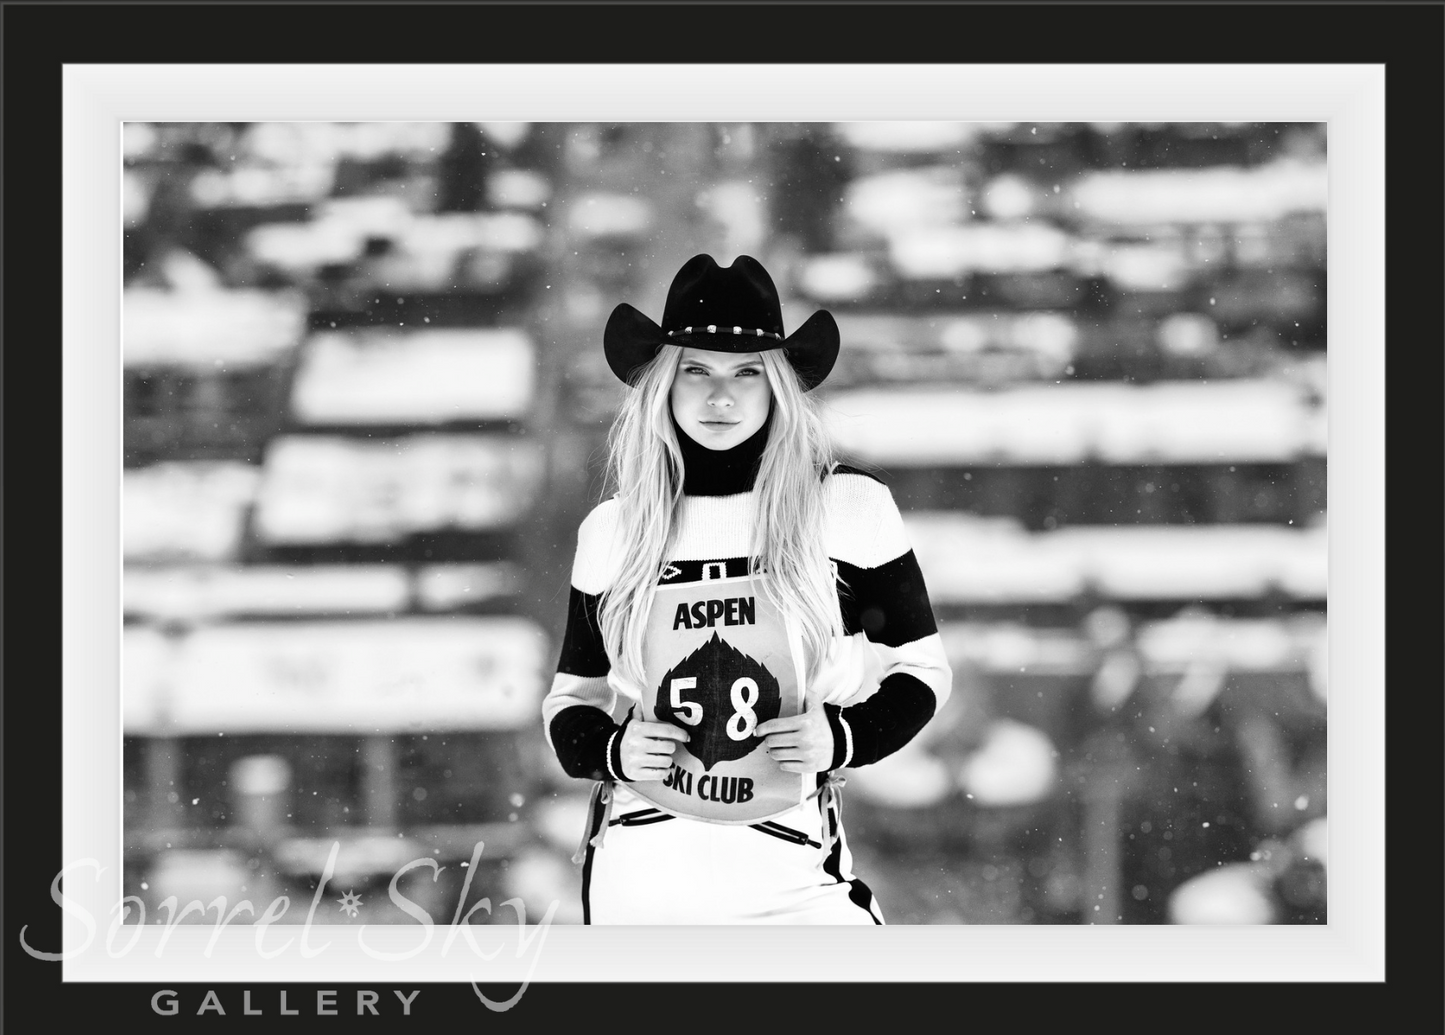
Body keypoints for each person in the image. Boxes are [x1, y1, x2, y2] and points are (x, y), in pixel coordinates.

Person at [542, 254, 953, 924]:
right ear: (662, 387)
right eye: (694, 371)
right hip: (641, 863)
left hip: (790, 858)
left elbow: (923, 668)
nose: (719, 397)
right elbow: (572, 700)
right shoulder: (613, 529)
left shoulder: (846, 507)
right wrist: (611, 750)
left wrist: (845, 738)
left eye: (746, 374)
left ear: (778, 388)